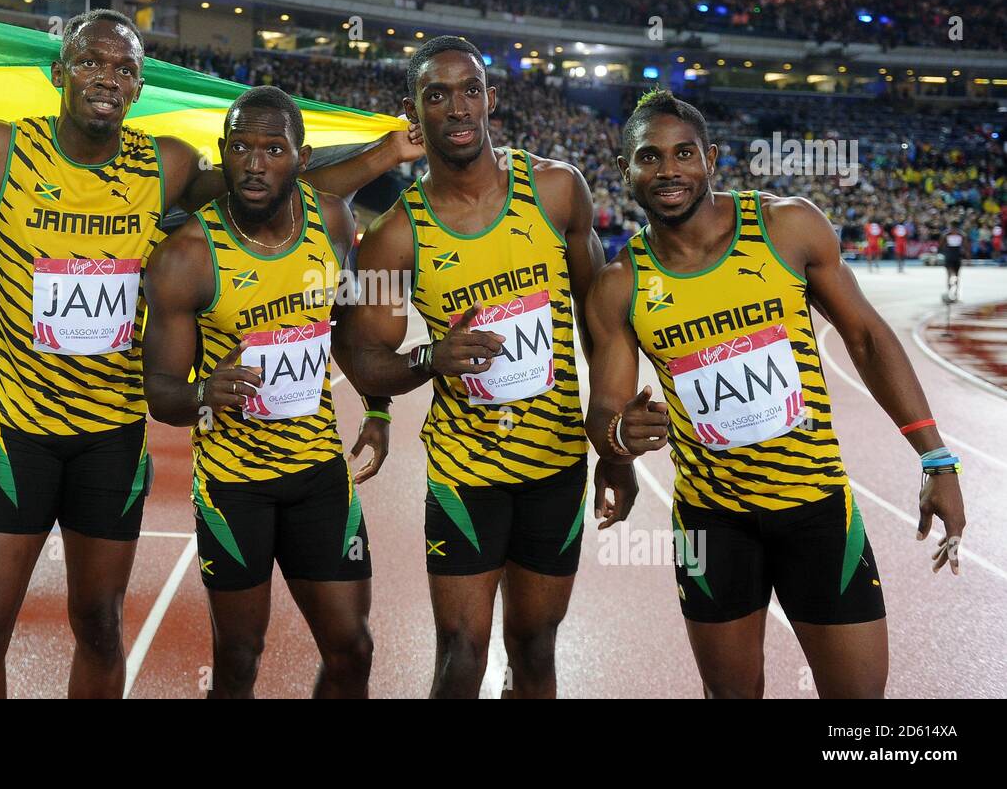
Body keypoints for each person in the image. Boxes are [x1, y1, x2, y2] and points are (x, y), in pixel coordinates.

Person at [0, 2, 421, 699]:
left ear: (140, 87)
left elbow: (268, 193)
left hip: (112, 441)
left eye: (124, 67)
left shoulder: (166, 165)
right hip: (19, 436)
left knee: (100, 623)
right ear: (58, 71)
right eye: (90, 59)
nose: (106, 76)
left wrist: (387, 154)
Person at [584, 89, 967, 699]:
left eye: (683, 154)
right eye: (648, 158)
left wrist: (936, 458)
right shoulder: (619, 284)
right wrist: (617, 436)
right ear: (626, 169)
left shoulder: (786, 227)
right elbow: (604, 407)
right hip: (712, 523)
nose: (668, 171)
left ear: (710, 158)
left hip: (816, 509)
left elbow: (866, 337)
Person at [339, 36, 638, 698]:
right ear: (414, 113)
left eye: (469, 89)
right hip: (464, 472)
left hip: (554, 466)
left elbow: (602, 325)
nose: (456, 106)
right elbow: (364, 356)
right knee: (461, 657)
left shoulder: (557, 190)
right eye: (436, 94)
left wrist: (613, 446)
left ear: (491, 99)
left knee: (534, 653)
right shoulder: (396, 234)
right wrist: (429, 358)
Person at [145, 87, 390, 698]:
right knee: (238, 657)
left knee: (352, 649)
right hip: (235, 487)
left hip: (318, 477)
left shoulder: (331, 221)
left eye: (272, 149)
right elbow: (160, 392)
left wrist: (379, 406)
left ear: (301, 158)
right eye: (240, 148)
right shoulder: (187, 257)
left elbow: (347, 331)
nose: (254, 164)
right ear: (223, 155)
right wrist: (204, 391)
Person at [940, 222, 965, 301]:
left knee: (955, 276)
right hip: (951, 256)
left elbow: (941, 245)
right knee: (951, 275)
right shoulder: (958, 234)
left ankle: (955, 292)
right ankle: (951, 292)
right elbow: (941, 244)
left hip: (954, 256)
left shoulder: (959, 235)